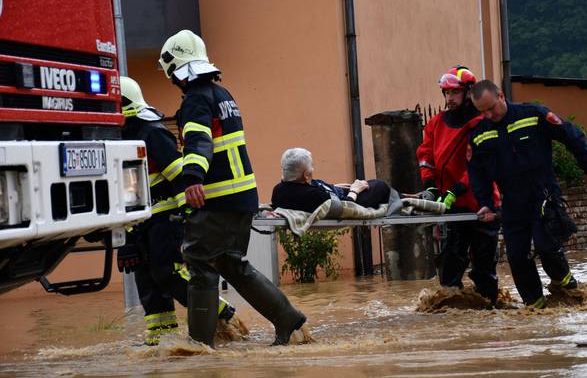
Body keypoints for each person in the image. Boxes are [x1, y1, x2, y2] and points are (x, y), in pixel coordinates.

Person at [158, 29, 306, 348]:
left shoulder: (196, 98)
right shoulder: (223, 94)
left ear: (174, 68)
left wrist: (193, 178)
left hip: (218, 201)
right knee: (231, 264)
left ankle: (197, 347)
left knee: (198, 262)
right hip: (242, 199)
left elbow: (199, 140)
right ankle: (288, 321)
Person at [117, 76, 245, 345]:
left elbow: (178, 175)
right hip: (138, 224)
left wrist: (185, 214)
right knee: (147, 280)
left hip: (165, 218)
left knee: (169, 273)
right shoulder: (120, 138)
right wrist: (126, 240)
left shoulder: (150, 132)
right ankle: (160, 342)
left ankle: (222, 312)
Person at [468, 79, 587, 308]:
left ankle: (568, 287)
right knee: (517, 257)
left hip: (543, 196)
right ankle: (535, 307)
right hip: (512, 204)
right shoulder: (480, 134)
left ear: (501, 96)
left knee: (546, 246)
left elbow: (571, 135)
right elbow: (477, 173)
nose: (489, 115)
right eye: (482, 112)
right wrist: (486, 204)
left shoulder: (533, 114)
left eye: (491, 108)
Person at [415, 65, 501, 305]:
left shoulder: (480, 123)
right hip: (452, 205)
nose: (448, 98)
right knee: (450, 262)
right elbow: (425, 156)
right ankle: (453, 311)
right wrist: (431, 185)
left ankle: (489, 307)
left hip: (480, 203)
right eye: (445, 93)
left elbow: (480, 165)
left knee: (484, 265)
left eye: (453, 93)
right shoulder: (436, 123)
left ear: (468, 92)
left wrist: (457, 189)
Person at [271, 147, 391, 212]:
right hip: (349, 200)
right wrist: (355, 190)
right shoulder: (312, 195)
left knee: (370, 185)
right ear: (306, 175)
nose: (313, 168)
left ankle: (403, 196)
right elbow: (346, 206)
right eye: (311, 166)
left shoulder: (278, 189)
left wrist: (333, 187)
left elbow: (309, 187)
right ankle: (403, 199)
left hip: (335, 192)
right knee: (379, 185)